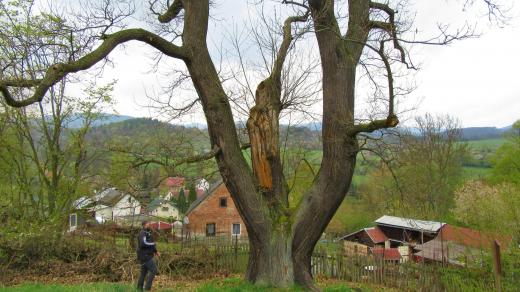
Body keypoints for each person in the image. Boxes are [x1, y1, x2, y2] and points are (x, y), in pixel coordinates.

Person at [136, 220, 160, 291]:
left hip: (147, 255)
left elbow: (151, 243)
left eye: (150, 224)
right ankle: (147, 288)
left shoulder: (148, 233)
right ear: (144, 225)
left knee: (143, 272)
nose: (149, 225)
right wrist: (153, 244)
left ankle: (139, 289)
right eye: (148, 224)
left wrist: (156, 251)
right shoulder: (142, 233)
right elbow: (143, 243)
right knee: (154, 270)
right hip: (145, 256)